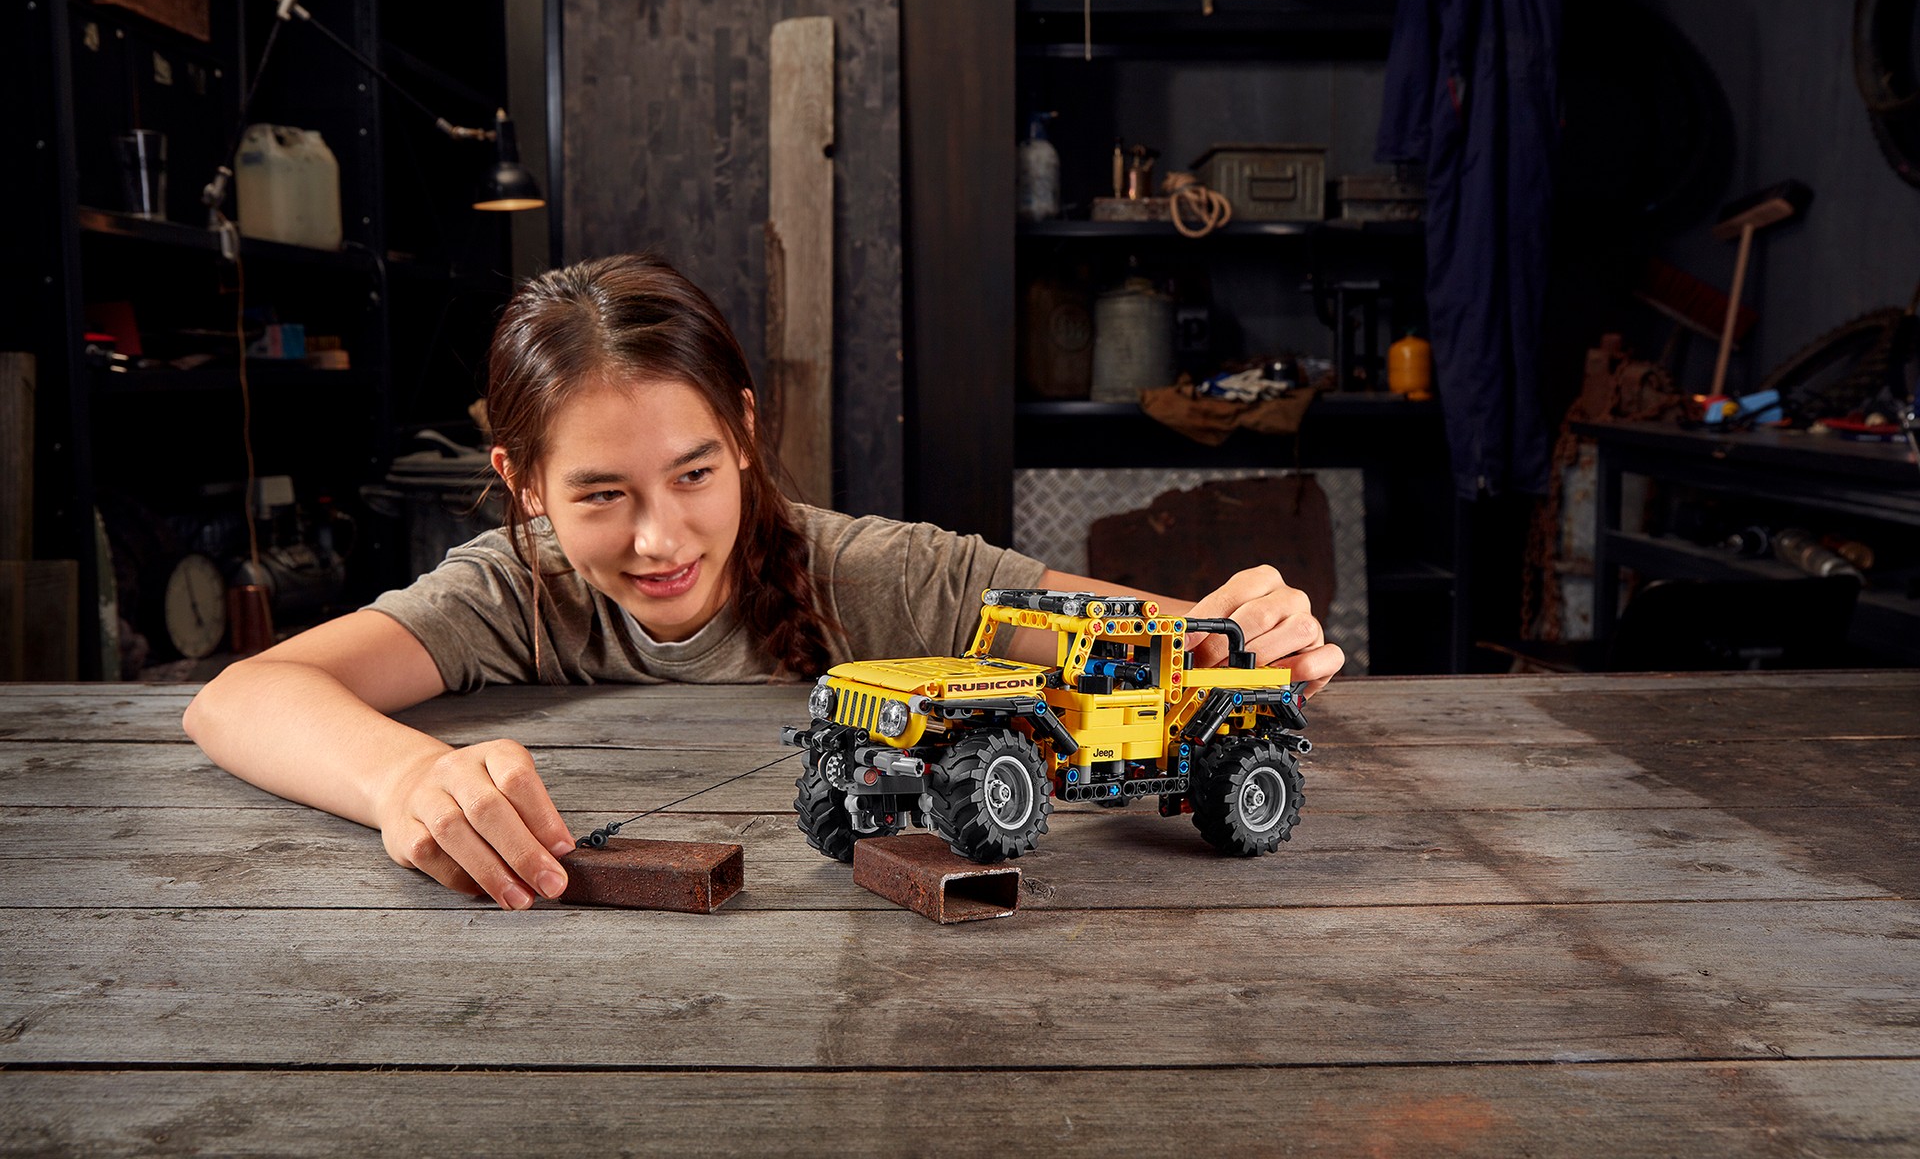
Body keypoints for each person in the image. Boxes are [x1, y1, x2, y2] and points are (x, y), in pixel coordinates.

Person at [184, 254, 1345, 912]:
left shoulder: (883, 575)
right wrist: (407, 778)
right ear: (523, 482)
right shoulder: (510, 589)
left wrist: (1239, 624)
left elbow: (1151, 637)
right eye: (599, 494)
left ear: (743, 431)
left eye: (692, 472)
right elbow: (236, 696)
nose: (659, 537)